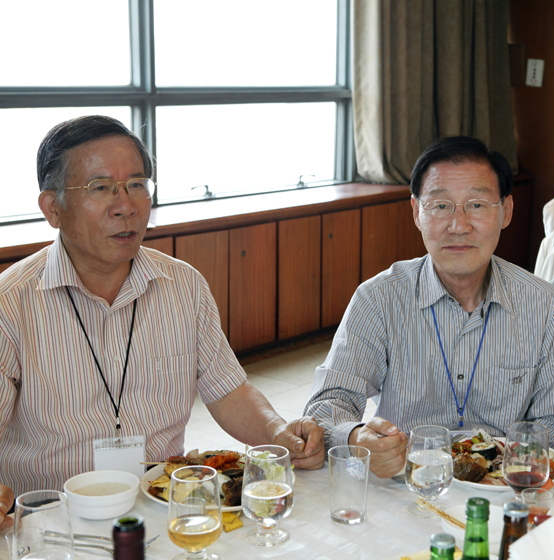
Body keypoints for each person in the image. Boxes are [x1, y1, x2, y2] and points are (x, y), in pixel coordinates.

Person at [0, 116, 324, 524]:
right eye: (100, 187)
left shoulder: (183, 285)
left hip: (165, 507)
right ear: (53, 208)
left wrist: (278, 433)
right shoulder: (10, 304)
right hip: (51, 520)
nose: (126, 206)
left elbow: (228, 391)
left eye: (137, 184)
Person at [304, 136, 554, 478]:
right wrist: (355, 437)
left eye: (477, 205)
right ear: (416, 212)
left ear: (506, 211)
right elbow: (326, 405)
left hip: (505, 489)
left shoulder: (545, 305)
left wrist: (500, 470)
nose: (459, 225)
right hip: (406, 485)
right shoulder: (379, 299)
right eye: (440, 206)